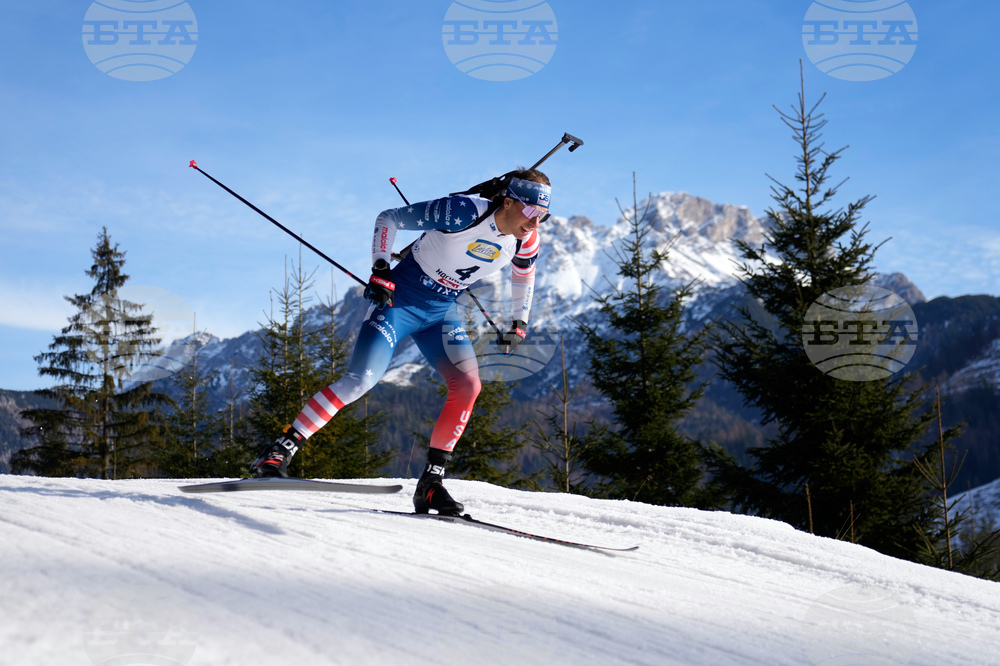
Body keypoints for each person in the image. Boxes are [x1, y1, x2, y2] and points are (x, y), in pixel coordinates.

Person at [249, 168, 551, 515]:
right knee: (360, 380)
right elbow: (388, 218)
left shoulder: (526, 238)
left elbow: (524, 274)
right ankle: (278, 452)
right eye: (530, 212)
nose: (535, 223)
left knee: (468, 385)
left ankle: (431, 485)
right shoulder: (464, 211)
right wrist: (380, 269)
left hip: (441, 313)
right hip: (400, 302)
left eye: (543, 216)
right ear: (509, 202)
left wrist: (519, 322)